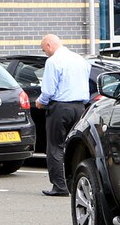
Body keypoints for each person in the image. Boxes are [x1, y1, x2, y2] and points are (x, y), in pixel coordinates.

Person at [36, 34, 91, 197]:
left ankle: (60, 186)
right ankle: (76, 183)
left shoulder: (53, 61)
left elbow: (48, 90)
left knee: (55, 146)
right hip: (80, 107)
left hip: (60, 108)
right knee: (76, 146)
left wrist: (40, 101)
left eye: (44, 49)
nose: (45, 53)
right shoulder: (81, 60)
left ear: (49, 45)